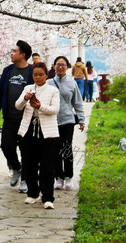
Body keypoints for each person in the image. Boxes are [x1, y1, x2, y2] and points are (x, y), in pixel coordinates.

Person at [16, 62, 60, 209]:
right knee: (29, 164)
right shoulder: (28, 88)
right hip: (28, 130)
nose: (38, 77)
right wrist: (25, 98)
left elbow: (55, 109)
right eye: (35, 75)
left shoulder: (53, 90)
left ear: (46, 75)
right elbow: (18, 106)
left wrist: (40, 106)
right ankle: (32, 192)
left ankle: (48, 197)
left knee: (47, 165)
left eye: (41, 75)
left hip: (47, 132)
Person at [0, 40, 34, 192]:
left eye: (14, 51)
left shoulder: (31, 71)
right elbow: (0, 91)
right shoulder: (8, 70)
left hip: (26, 118)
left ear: (22, 55)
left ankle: (25, 179)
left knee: (26, 149)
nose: (11, 53)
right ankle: (16, 168)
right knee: (6, 145)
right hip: (9, 117)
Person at [50, 56, 85, 190]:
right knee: (55, 150)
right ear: (53, 66)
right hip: (52, 120)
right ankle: (58, 177)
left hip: (67, 120)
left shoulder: (72, 83)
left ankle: (69, 176)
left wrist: (81, 120)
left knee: (67, 148)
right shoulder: (48, 83)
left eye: (63, 65)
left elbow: (77, 102)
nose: (60, 67)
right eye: (58, 65)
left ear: (67, 67)